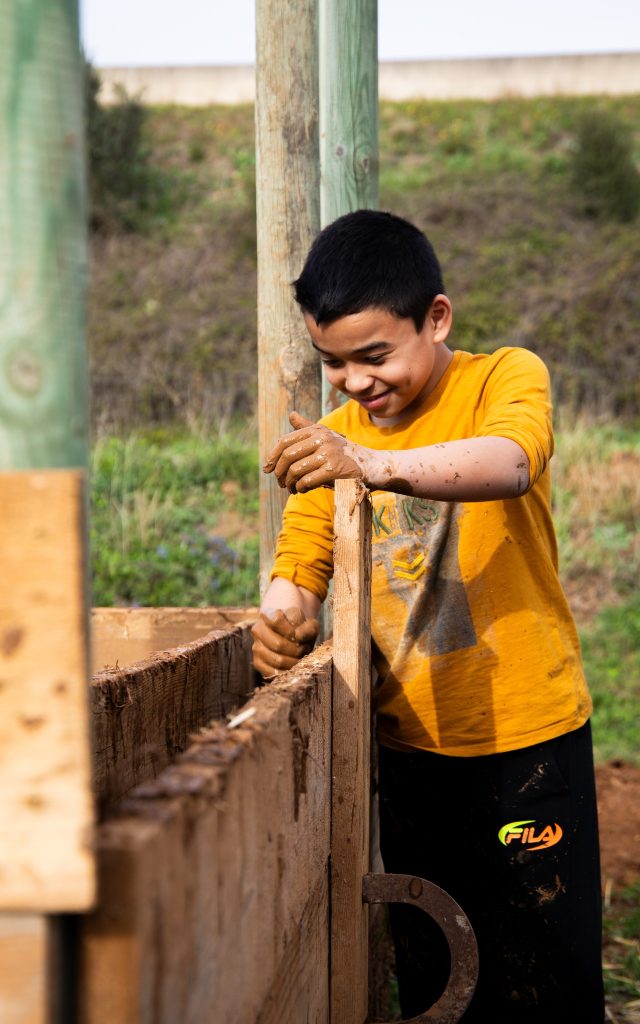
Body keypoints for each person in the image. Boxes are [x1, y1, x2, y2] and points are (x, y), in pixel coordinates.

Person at [251, 209, 604, 1023]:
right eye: (333, 362)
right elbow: (298, 572)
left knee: (548, 970)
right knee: (438, 972)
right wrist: (281, 623)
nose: (355, 382)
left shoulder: (500, 379)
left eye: (375, 356)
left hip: (527, 738)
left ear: (435, 319)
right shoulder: (333, 440)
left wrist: (372, 465)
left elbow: (511, 463)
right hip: (407, 748)